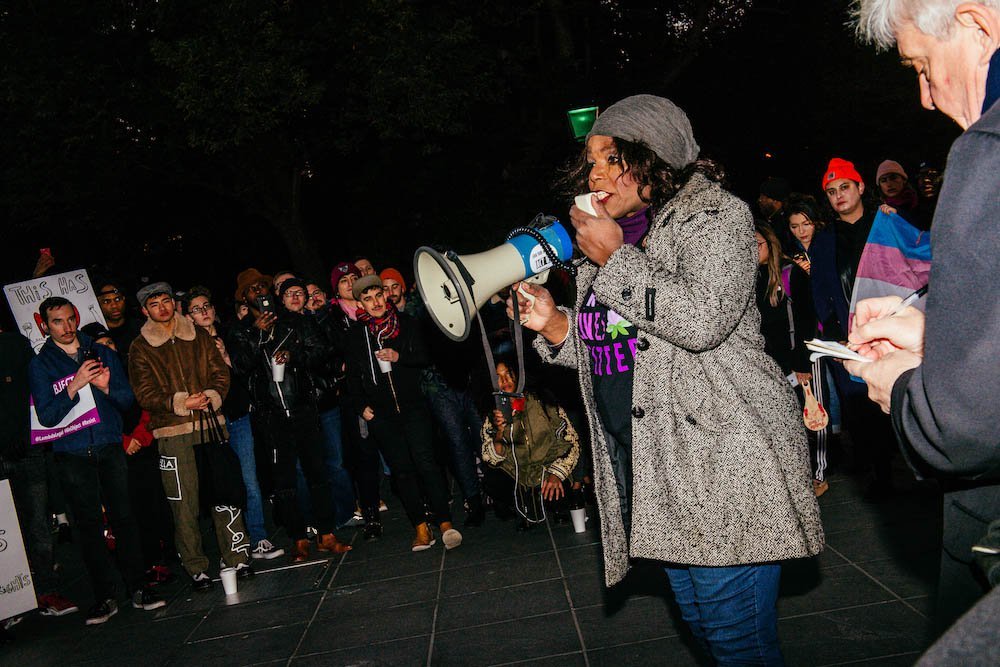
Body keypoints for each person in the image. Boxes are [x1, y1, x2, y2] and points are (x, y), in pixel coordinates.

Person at [510, 94, 823, 664]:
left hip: (722, 463)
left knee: (736, 643)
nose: (595, 174)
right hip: (657, 470)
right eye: (590, 162)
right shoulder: (609, 240)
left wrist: (615, 261)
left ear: (653, 157)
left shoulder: (715, 216)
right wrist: (555, 324)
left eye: (611, 159)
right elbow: (623, 348)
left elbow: (701, 320)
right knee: (706, 631)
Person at [850, 0, 1000, 634]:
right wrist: (938, 326)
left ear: (976, 25)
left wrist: (903, 387)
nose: (926, 96)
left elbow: (961, 427)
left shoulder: (987, 150)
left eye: (921, 65)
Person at [28, 297, 164, 624]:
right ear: (44, 326)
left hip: (107, 445)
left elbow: (127, 400)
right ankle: (105, 596)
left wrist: (105, 388)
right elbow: (46, 417)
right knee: (89, 527)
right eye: (57, 321)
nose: (67, 327)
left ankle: (138, 586)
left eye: (70, 319)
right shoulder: (41, 364)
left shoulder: (100, 352)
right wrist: (74, 386)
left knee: (125, 517)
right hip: (71, 453)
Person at [128, 283, 253, 590]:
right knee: (183, 503)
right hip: (173, 432)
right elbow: (144, 392)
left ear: (175, 303)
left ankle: (237, 557)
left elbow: (220, 373)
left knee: (225, 493)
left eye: (166, 301)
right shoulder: (140, 347)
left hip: (210, 424)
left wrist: (210, 396)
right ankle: (196, 567)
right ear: (145, 310)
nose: (162, 308)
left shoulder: (197, 334)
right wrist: (182, 402)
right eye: (154, 304)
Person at [228, 274, 352, 562]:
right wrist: (258, 335)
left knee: (317, 471)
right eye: (251, 290)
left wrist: (293, 354)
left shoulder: (294, 320)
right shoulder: (241, 330)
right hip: (270, 415)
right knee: (284, 481)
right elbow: (240, 367)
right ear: (244, 298)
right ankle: (298, 538)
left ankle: (327, 533)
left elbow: (321, 350)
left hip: (303, 407)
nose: (258, 291)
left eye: (262, 286)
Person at [344, 275, 462, 552]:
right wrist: (361, 406)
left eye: (378, 295)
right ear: (360, 303)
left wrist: (399, 357)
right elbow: (352, 377)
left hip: (413, 407)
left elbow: (425, 356)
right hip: (382, 415)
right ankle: (420, 528)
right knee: (402, 471)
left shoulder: (406, 323)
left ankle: (445, 522)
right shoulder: (355, 335)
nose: (375, 302)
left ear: (386, 295)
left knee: (426, 463)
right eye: (368, 298)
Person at [812, 156, 897, 496]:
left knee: (896, 397)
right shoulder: (824, 239)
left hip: (890, 329)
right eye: (831, 191)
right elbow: (819, 290)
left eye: (844, 187)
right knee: (860, 406)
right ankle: (879, 473)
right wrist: (834, 334)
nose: (839, 196)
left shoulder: (884, 224)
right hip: (850, 337)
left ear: (860, 187)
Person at [184, 287, 283, 560]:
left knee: (249, 480)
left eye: (207, 306)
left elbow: (247, 369)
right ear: (189, 317)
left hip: (238, 416)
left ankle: (259, 538)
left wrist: (227, 357)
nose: (204, 312)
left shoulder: (231, 334)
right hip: (210, 421)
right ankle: (234, 545)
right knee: (222, 483)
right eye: (196, 309)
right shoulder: (187, 344)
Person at [80, 322, 178, 584]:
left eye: (110, 343)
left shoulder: (129, 368)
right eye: (100, 346)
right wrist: (124, 441)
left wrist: (139, 438)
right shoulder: (85, 381)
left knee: (154, 504)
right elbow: (92, 419)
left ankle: (162, 557)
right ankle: (142, 565)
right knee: (128, 511)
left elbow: (147, 403)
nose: (107, 349)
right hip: (113, 450)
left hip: (143, 446)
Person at [0, 327, 78, 618]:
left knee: (37, 523)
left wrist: (27, 436)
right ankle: (9, 602)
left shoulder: (13, 344)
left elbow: (35, 389)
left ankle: (46, 590)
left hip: (26, 449)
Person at [279, 278, 356, 532]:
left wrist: (334, 372)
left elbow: (331, 351)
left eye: (299, 293)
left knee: (336, 461)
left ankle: (345, 513)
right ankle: (311, 521)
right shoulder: (277, 327)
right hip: (298, 406)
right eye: (289, 293)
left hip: (325, 400)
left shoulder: (319, 320)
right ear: (281, 299)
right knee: (303, 468)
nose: (295, 297)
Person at [481, 360, 581, 527]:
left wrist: (556, 474)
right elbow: (491, 458)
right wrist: (499, 432)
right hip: (518, 476)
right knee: (492, 481)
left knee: (559, 494)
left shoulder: (542, 401)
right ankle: (522, 506)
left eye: (508, 374)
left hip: (547, 470)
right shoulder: (493, 415)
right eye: (498, 377)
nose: (505, 381)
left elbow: (570, 440)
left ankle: (554, 505)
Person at [754, 222, 793, 376]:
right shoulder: (751, 278)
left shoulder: (788, 271)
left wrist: (800, 361)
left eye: (758, 244)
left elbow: (804, 319)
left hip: (794, 355)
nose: (753, 249)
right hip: (771, 359)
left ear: (770, 243)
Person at [95, 280, 143, 365]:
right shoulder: (96, 335)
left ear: (124, 299)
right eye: (106, 301)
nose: (114, 305)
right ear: (98, 303)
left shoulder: (141, 328)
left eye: (117, 299)